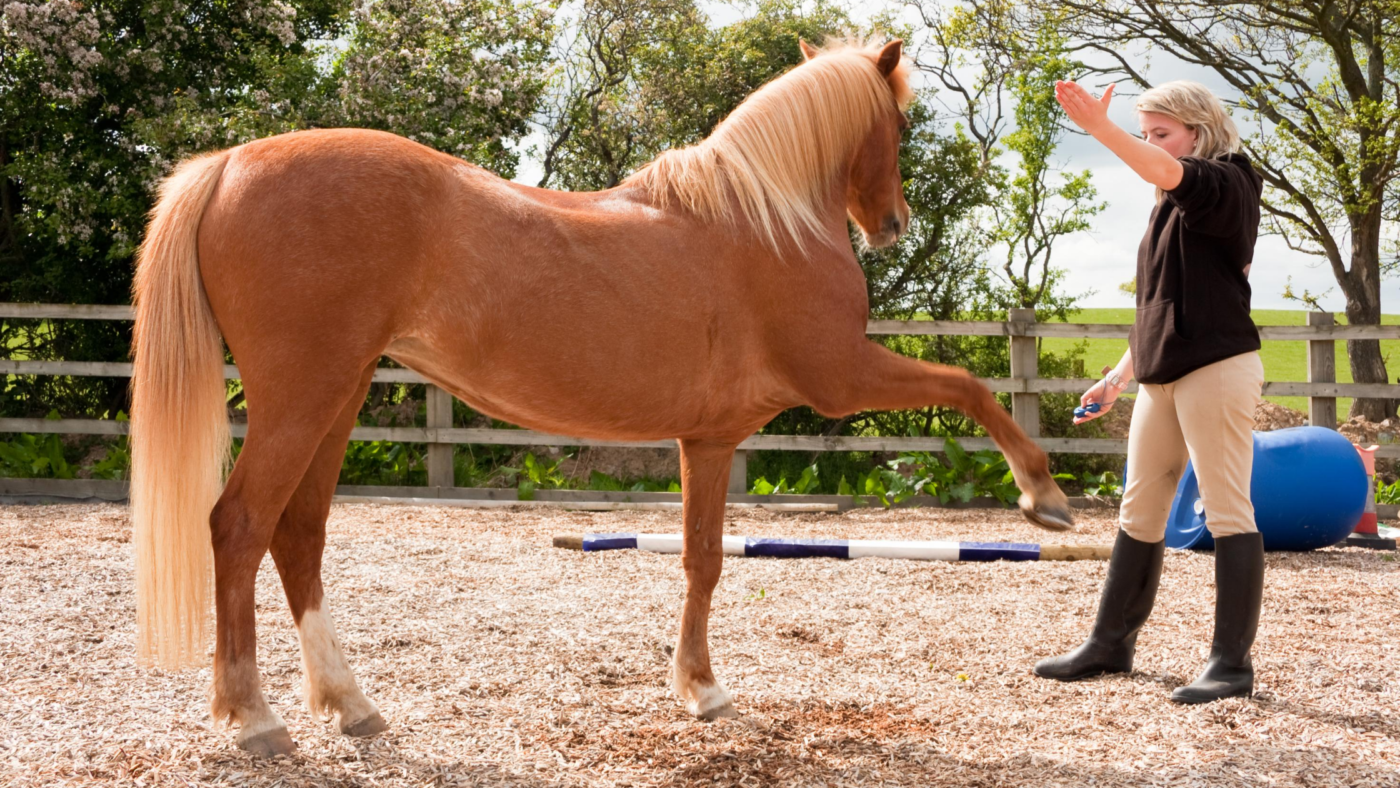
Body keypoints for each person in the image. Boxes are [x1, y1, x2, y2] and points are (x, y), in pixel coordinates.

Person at [1035, 79, 1266, 704]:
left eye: (1159, 133)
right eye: (1143, 133)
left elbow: (1170, 172)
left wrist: (1100, 131)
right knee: (1139, 509)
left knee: (1226, 512)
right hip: (1162, 373)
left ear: (1199, 131)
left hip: (1217, 367)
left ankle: (1230, 665)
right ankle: (1111, 644)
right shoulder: (1167, 209)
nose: (1149, 146)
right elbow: (1163, 306)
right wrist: (1117, 378)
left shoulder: (1230, 183)